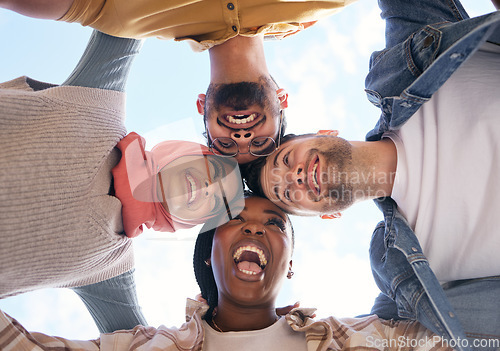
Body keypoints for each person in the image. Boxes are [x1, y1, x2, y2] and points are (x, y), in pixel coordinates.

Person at [244, 0, 500, 349]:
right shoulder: (394, 267)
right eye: (287, 194)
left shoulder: (402, 71)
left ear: (324, 133)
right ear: (328, 214)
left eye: (286, 161)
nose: (294, 177)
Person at [0, 29, 243, 333]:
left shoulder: (109, 267)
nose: (207, 187)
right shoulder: (98, 103)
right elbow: (132, 14)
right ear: (189, 151)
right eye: (214, 170)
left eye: (216, 202)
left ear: (193, 224)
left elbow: (134, 345)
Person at [0, 195, 452, 350]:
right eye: (234, 217)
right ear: (209, 249)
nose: (255, 225)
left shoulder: (356, 339)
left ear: (288, 261)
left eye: (276, 225)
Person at [0, 0, 357, 164]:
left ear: (202, 107)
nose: (243, 139)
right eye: (262, 144)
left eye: (227, 148)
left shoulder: (125, 17)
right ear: (282, 100)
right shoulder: (319, 4)